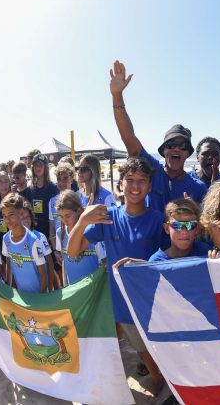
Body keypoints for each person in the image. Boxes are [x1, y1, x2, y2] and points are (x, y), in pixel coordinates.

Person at [67, 157, 165, 396]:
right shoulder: (107, 217)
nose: (135, 186)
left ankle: (159, 381)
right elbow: (72, 251)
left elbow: (168, 259)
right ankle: (156, 378)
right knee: (134, 345)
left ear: (150, 186)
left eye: (141, 181)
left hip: (149, 299)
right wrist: (81, 221)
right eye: (129, 180)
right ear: (120, 184)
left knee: (148, 347)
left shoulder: (157, 220)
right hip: (119, 300)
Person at [109, 60, 207, 212]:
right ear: (164, 151)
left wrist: (194, 211)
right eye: (171, 145)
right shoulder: (152, 170)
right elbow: (128, 137)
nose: (176, 150)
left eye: (182, 146)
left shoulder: (198, 187)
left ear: (188, 153)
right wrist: (117, 95)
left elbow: (203, 227)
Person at [0, 193, 47, 293]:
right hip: (22, 298)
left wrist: (42, 300)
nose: (7, 220)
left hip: (37, 298)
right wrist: (10, 290)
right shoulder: (6, 239)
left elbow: (43, 275)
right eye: (4, 216)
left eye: (11, 215)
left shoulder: (33, 241)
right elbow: (9, 265)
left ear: (21, 212)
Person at [55, 190, 105, 285]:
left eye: (68, 216)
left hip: (93, 288)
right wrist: (65, 285)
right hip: (74, 290)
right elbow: (65, 261)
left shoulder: (92, 231)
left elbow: (104, 262)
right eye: (61, 217)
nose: (64, 220)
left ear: (78, 211)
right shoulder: (59, 233)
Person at [20, 201, 59, 291]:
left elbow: (50, 263)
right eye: (22, 218)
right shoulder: (13, 239)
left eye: (27, 217)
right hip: (24, 290)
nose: (25, 221)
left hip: (42, 289)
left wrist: (49, 287)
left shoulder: (40, 237)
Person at [30, 154, 60, 246]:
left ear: (45, 168)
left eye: (40, 165)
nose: (38, 168)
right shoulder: (30, 189)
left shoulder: (54, 189)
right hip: (34, 234)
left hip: (50, 234)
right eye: (35, 165)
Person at [49, 162, 77, 254]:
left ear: (72, 179)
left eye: (65, 179)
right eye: (59, 179)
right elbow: (52, 227)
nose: (61, 183)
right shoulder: (52, 201)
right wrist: (55, 251)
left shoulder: (80, 198)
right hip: (61, 249)